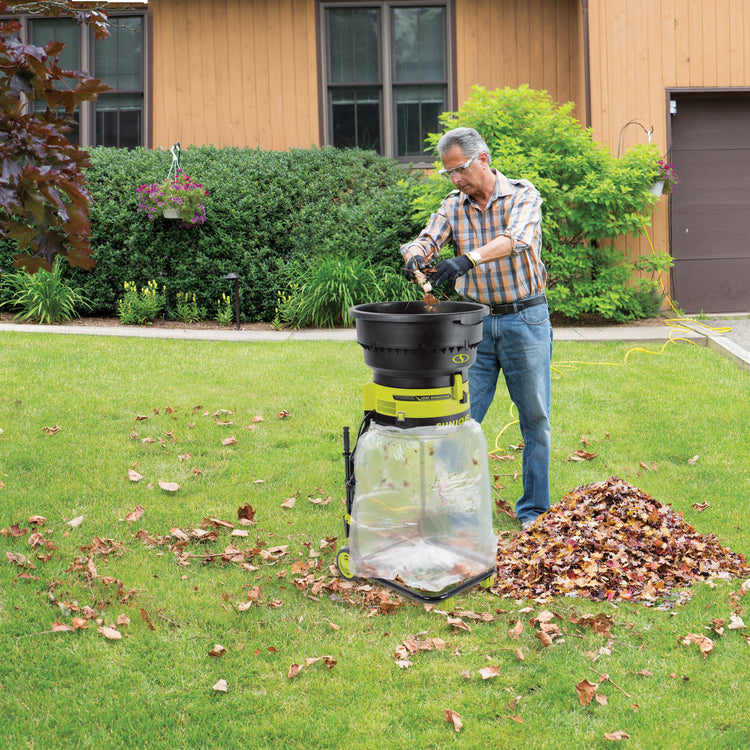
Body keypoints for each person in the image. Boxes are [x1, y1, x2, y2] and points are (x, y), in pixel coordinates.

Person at [400, 126, 552, 530]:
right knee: (459, 418)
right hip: (475, 324)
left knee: (535, 418)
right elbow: (425, 239)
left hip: (526, 318)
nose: (455, 179)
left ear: (482, 159)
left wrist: (467, 260)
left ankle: (534, 514)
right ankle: (454, 510)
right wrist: (415, 256)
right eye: (448, 173)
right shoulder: (454, 206)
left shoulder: (523, 195)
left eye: (460, 170)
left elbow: (516, 239)